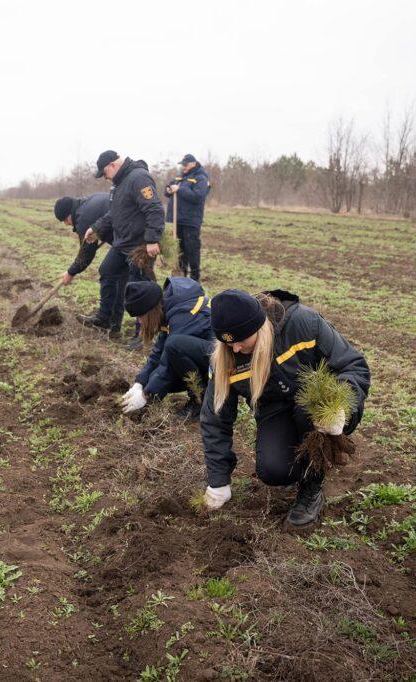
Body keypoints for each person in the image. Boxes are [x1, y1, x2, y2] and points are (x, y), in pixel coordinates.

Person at [199, 289, 370, 527]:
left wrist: (338, 407)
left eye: (240, 340)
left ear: (258, 327)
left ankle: (312, 487)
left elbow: (354, 366)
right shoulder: (226, 357)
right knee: (273, 470)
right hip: (275, 409)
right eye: (228, 343)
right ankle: (300, 463)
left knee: (305, 410)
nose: (235, 349)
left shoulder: (302, 323)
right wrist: (218, 481)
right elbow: (214, 418)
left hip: (325, 405)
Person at [80, 150, 165, 346]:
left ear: (113, 165)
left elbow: (154, 209)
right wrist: (95, 227)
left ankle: (144, 334)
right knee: (107, 271)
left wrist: (152, 239)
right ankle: (105, 317)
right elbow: (113, 214)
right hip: (122, 243)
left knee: (140, 287)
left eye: (104, 173)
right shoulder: (118, 185)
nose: (105, 178)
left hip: (140, 245)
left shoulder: (138, 178)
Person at [118, 277, 213, 422]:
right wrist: (140, 383)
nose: (139, 321)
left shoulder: (184, 313)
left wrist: (146, 395)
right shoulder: (168, 308)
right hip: (204, 357)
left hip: (222, 360)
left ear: (149, 310)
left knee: (174, 347)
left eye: (139, 316)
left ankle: (201, 402)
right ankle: (201, 395)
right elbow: (158, 353)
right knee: (158, 375)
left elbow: (168, 362)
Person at [53, 192, 110, 318]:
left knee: (111, 272)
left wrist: (70, 273)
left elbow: (85, 255)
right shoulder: (85, 204)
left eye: (64, 220)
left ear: (68, 215)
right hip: (124, 235)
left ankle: (109, 319)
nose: (67, 224)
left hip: (132, 236)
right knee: (109, 271)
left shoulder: (83, 218)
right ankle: (109, 320)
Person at [164, 154, 210, 281]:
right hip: (176, 220)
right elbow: (167, 191)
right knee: (179, 250)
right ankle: (181, 276)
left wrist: (178, 190)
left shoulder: (201, 178)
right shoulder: (180, 177)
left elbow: (198, 196)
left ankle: (195, 278)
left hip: (190, 221)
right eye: (182, 164)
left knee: (192, 249)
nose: (183, 167)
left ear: (193, 163)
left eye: (185, 164)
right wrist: (169, 190)